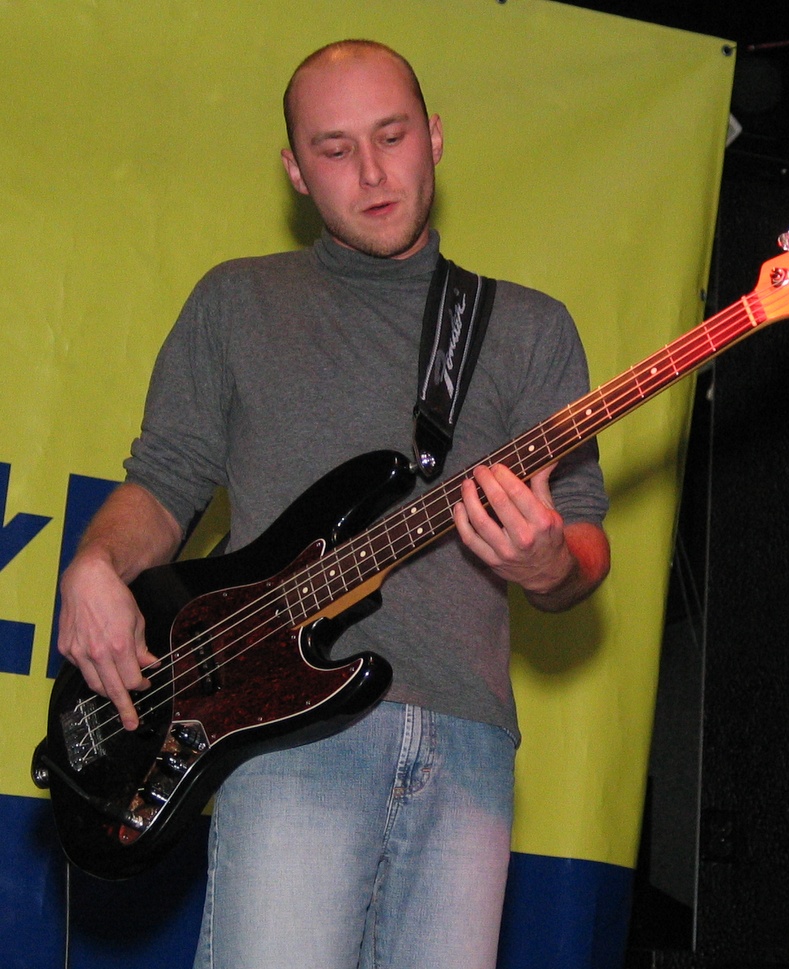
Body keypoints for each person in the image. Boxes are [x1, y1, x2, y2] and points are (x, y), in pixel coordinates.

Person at [57, 39, 610, 969]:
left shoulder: (529, 327)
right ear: (295, 171)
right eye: (336, 148)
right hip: (285, 735)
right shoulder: (235, 301)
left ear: (435, 138)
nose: (373, 171)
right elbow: (166, 480)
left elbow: (583, 542)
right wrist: (94, 563)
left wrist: (551, 563)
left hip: (467, 744)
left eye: (392, 136)